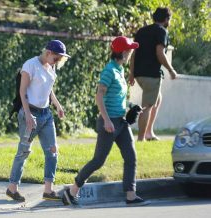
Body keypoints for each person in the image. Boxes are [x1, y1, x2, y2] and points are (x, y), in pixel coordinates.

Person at [62, 36, 150, 206]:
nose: (131, 53)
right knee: (98, 160)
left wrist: (131, 107)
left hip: (121, 122)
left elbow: (116, 97)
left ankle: (131, 196)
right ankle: (71, 192)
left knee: (131, 157)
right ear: (124, 52)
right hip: (109, 123)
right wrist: (106, 120)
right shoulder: (109, 70)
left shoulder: (119, 70)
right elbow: (99, 96)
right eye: (130, 50)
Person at [6, 40, 70, 202]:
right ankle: (12, 188)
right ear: (48, 52)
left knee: (53, 150)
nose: (58, 61)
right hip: (31, 113)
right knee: (24, 151)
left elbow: (49, 88)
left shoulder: (51, 66)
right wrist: (27, 114)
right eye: (57, 58)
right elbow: (23, 91)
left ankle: (48, 190)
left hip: (46, 114)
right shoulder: (30, 65)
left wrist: (57, 105)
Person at [129, 7, 177, 141]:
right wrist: (171, 69)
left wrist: (132, 73)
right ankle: (141, 138)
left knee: (158, 98)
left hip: (139, 74)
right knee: (147, 107)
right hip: (151, 74)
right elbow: (160, 53)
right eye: (169, 19)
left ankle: (149, 132)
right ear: (167, 19)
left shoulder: (142, 31)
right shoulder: (162, 31)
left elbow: (134, 54)